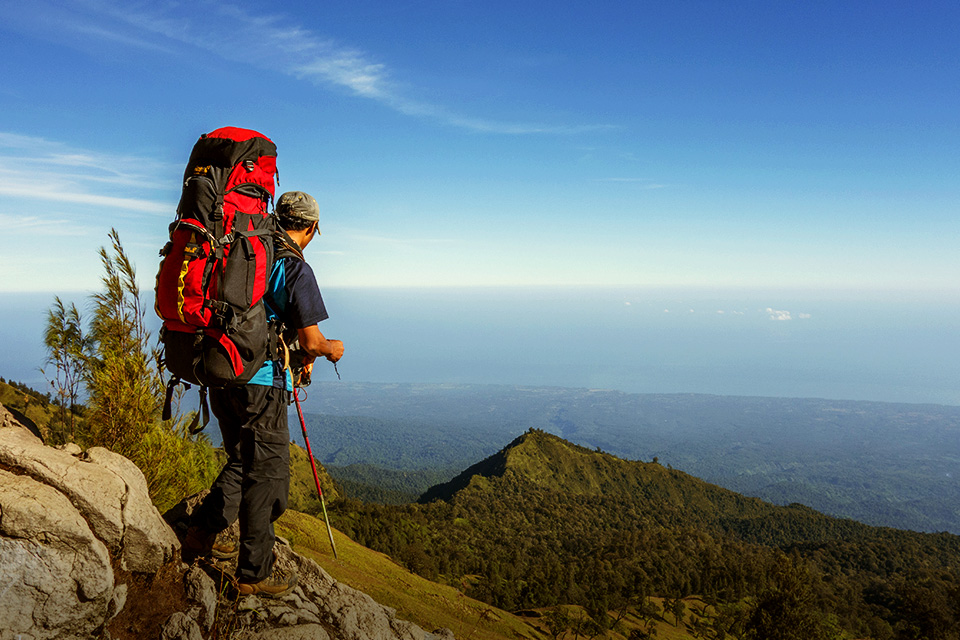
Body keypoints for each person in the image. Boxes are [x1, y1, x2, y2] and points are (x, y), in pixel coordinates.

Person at [183, 191, 343, 598]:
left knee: (242, 458)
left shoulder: (244, 251)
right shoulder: (293, 266)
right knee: (268, 474)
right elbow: (311, 341)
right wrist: (329, 349)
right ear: (311, 228)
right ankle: (255, 574)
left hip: (222, 371)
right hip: (261, 381)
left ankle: (201, 533)